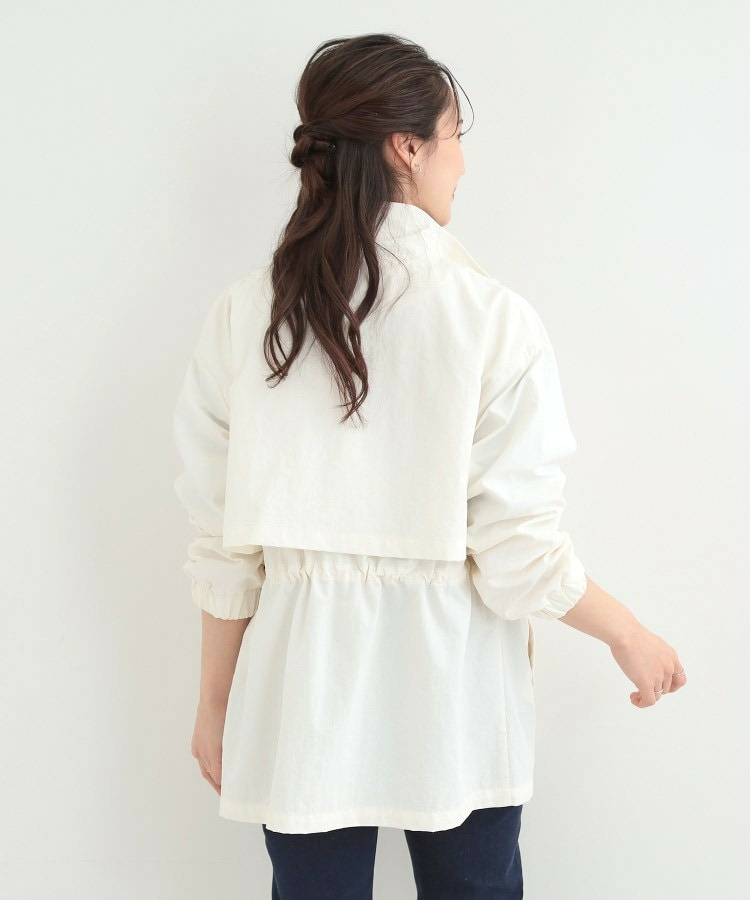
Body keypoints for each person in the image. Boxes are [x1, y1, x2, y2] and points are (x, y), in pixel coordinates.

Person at [172, 32, 687, 900]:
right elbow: (517, 548)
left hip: (297, 687)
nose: (463, 162)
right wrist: (629, 634)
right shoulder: (490, 318)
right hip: (454, 686)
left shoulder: (245, 315)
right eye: (454, 136)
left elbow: (223, 541)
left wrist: (216, 699)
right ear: (405, 148)